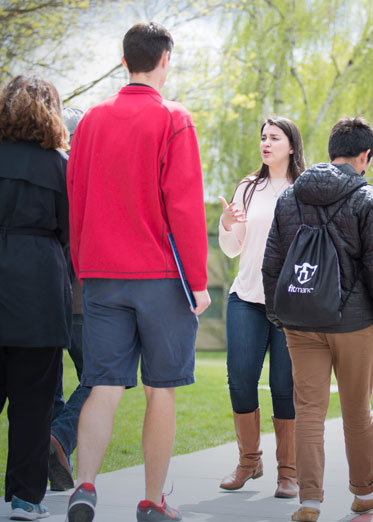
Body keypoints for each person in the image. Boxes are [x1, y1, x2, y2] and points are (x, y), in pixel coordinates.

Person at [65, 22, 210, 522]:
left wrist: (85, 264)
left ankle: (84, 487)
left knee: (103, 385)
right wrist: (197, 281)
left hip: (102, 275)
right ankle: (151, 501)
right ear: (165, 60)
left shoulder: (90, 122)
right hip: (161, 279)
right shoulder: (174, 119)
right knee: (159, 388)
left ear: (124, 60)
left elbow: (75, 198)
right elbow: (185, 207)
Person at [262, 117, 373, 522]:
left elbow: (272, 264)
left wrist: (278, 314)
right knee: (357, 410)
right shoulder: (369, 199)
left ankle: (309, 503)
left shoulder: (290, 198)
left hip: (301, 323)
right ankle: (365, 492)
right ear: (364, 157)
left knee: (308, 411)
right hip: (355, 325)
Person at [218, 117, 305, 498]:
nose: (266, 143)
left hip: (290, 306)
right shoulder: (248, 188)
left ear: (291, 145)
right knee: (239, 379)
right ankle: (249, 460)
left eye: (274, 138)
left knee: (284, 388)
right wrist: (225, 223)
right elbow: (232, 248)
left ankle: (288, 472)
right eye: (263, 138)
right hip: (246, 299)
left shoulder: (304, 189)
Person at [0, 74, 72, 520]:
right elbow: (71, 233)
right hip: (40, 291)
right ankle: (26, 497)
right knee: (33, 402)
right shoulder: (61, 167)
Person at [48, 107, 90, 492]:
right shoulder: (77, 176)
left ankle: (57, 465)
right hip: (80, 297)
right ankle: (59, 438)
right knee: (104, 375)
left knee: (54, 385)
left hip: (44, 298)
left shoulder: (44, 171)